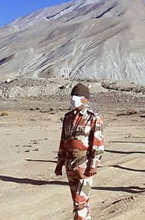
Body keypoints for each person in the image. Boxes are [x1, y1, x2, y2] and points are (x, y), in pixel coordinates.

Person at [55, 83, 104, 220]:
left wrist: (94, 164)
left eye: (77, 96)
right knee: (79, 202)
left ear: (85, 99)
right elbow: (63, 141)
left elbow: (98, 143)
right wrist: (59, 162)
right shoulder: (68, 117)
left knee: (79, 202)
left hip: (84, 164)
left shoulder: (93, 118)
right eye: (72, 96)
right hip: (69, 163)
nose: (73, 99)